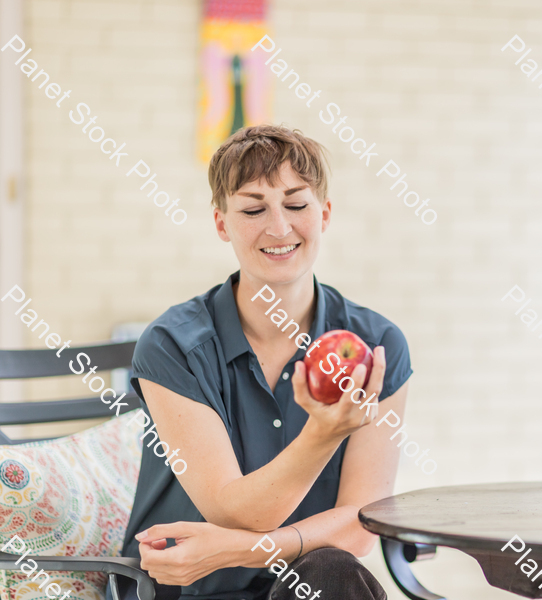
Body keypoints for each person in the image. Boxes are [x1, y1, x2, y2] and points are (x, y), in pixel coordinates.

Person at [112, 125, 412, 600]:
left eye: (296, 205)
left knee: (333, 570)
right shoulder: (172, 345)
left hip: (308, 587)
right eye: (253, 209)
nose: (278, 227)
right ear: (221, 224)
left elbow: (360, 524)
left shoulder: (376, 346)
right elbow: (234, 512)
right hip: (188, 590)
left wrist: (236, 550)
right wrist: (325, 432)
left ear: (324, 214)